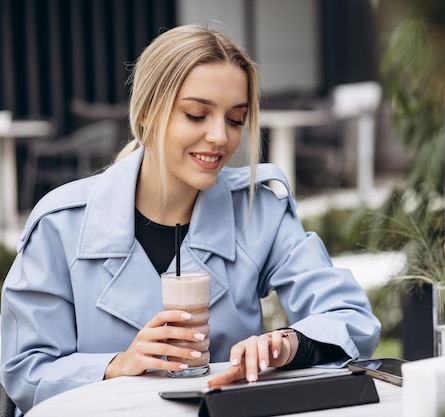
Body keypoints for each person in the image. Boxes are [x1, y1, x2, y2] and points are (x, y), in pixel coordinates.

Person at [0, 24, 381, 415]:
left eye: (235, 119)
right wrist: (118, 364)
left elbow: (351, 318)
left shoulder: (258, 210)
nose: (220, 137)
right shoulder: (60, 225)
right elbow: (25, 372)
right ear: (147, 112)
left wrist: (287, 343)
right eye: (196, 114)